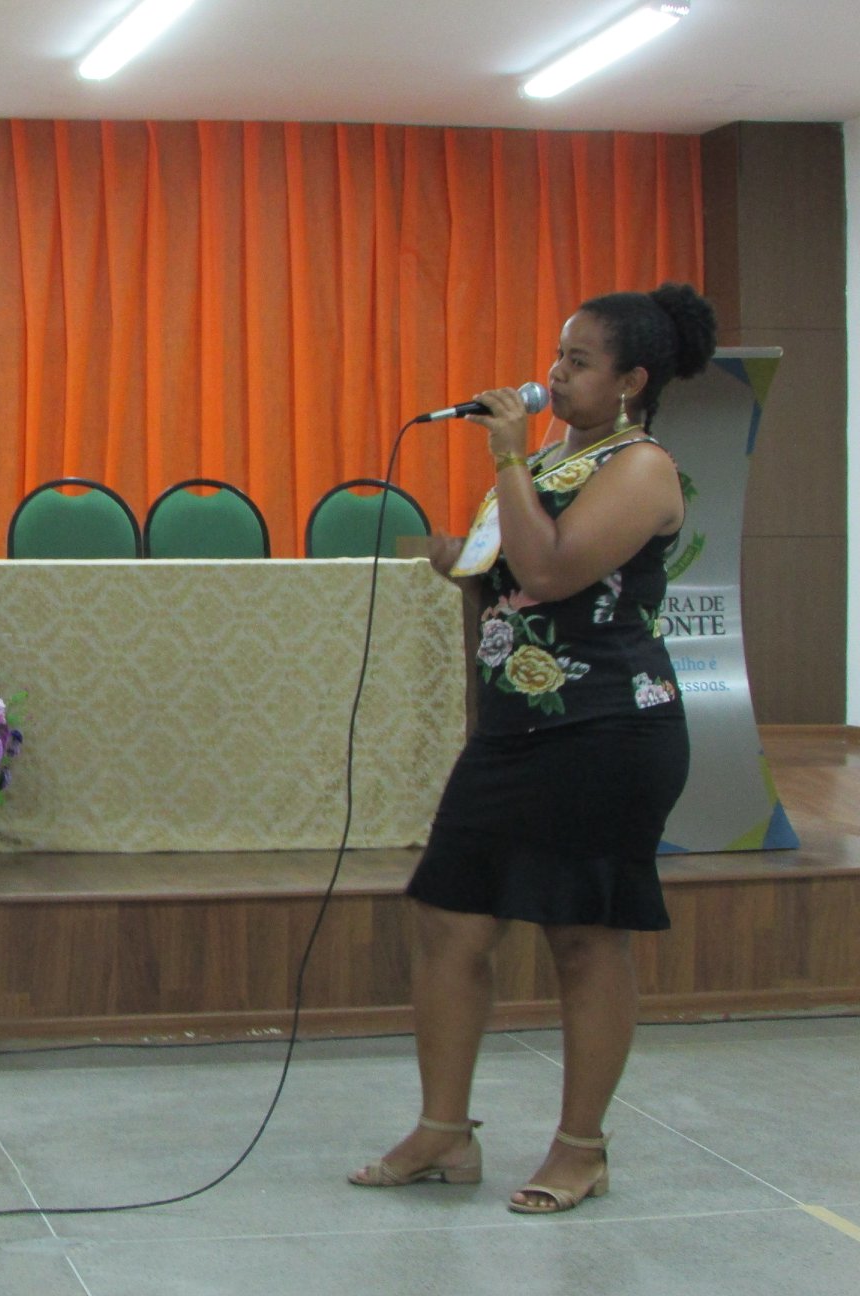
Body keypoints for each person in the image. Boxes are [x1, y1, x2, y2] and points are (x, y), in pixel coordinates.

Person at [348, 284, 717, 1212]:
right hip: (516, 732)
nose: (552, 375)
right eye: (557, 354)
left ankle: (580, 1149)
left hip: (608, 731)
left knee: (584, 937)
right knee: (447, 917)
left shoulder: (642, 468)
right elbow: (506, 576)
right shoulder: (552, 458)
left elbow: (552, 571)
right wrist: (456, 561)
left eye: (579, 362)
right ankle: (444, 1131)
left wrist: (508, 457)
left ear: (631, 382)